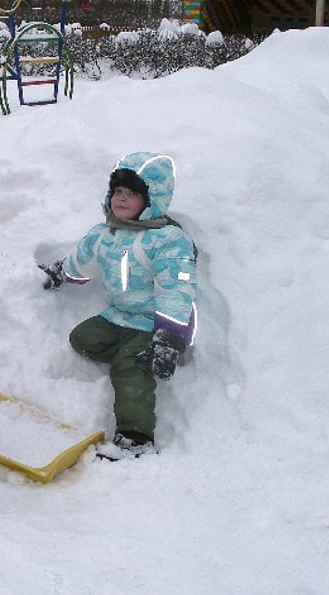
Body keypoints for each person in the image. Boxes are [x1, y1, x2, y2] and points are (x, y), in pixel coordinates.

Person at [40, 151, 197, 460]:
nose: (122, 199)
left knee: (130, 367)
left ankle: (136, 436)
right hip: (118, 316)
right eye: (118, 192)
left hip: (155, 324)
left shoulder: (167, 240)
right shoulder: (105, 234)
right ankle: (135, 359)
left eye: (133, 194)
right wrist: (62, 273)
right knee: (82, 338)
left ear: (152, 200)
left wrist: (169, 335)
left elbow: (177, 288)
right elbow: (82, 260)